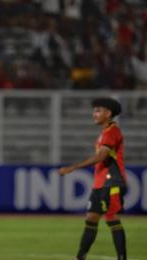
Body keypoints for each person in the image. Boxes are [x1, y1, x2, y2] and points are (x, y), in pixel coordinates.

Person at [58, 97, 127, 260]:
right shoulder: (105, 132)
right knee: (91, 218)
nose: (94, 114)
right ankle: (80, 257)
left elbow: (100, 157)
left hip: (112, 182)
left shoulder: (112, 131)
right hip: (101, 183)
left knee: (112, 218)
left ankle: (122, 258)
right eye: (94, 110)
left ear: (108, 113)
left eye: (98, 110)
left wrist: (72, 167)